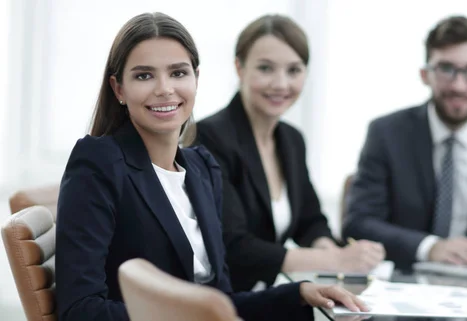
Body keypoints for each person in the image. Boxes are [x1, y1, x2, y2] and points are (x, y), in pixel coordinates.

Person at [55, 12, 368, 321]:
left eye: (178, 73)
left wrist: (297, 292)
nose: (165, 88)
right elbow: (80, 310)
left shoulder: (201, 167)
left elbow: (219, 301)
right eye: (144, 75)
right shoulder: (99, 163)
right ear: (119, 89)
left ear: (196, 79)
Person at [194, 14, 386, 292]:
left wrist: (337, 251)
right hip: (222, 300)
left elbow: (310, 222)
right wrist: (335, 259)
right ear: (239, 68)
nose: (281, 84)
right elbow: (234, 246)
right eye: (265, 68)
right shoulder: (209, 137)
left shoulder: (291, 140)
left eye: (294, 70)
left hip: (266, 295)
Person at [342, 15, 467, 270]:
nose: (459, 86)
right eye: (446, 69)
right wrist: (429, 247)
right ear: (425, 74)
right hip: (403, 285)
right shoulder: (386, 133)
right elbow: (359, 223)